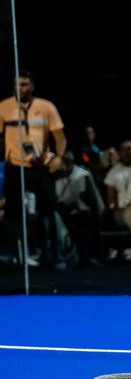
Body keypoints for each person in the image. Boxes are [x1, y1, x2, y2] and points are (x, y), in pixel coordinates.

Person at [0, 70, 68, 268]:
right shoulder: (4, 107)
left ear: (32, 86)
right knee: (13, 211)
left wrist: (59, 157)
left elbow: (60, 137)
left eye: (24, 84)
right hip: (16, 165)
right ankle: (11, 255)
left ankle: (53, 254)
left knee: (49, 210)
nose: (20, 88)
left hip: (41, 165)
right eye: (17, 84)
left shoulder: (46, 107)